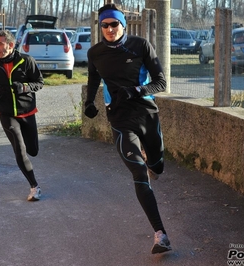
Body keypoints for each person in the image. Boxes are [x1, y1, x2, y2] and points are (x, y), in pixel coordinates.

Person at [84, 4, 172, 254]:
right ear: (100, 27)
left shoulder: (141, 45)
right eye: (105, 25)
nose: (110, 29)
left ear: (123, 24)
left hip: (146, 114)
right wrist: (90, 102)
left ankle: (152, 163)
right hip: (120, 120)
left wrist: (135, 90)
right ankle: (160, 234)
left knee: (157, 167)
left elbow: (161, 82)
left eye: (114, 24)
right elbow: (93, 77)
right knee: (139, 172)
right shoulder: (95, 53)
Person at [0, 30, 44, 201]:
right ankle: (34, 186)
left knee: (33, 150)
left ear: (11, 45)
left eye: (0, 44)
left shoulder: (26, 61)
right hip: (6, 112)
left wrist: (24, 87)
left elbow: (39, 82)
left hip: (27, 112)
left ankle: (30, 160)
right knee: (19, 149)